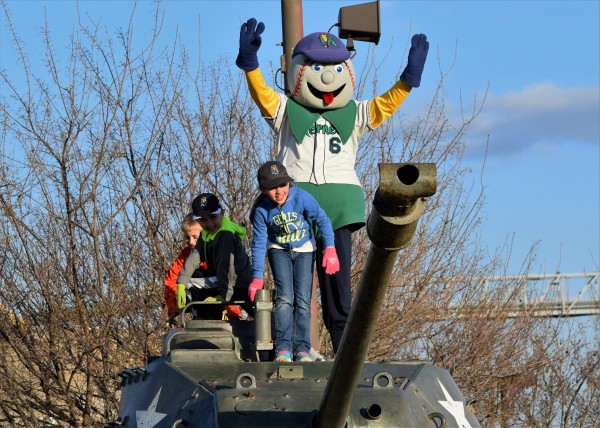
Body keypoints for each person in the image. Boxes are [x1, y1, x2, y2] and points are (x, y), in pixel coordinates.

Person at [236, 19, 428, 353]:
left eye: (335, 68)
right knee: (291, 288)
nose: (326, 77)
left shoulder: (354, 114)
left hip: (337, 213)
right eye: (315, 67)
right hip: (293, 212)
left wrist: (408, 79)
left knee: (337, 292)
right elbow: (262, 94)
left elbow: (385, 104)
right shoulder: (284, 111)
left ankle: (344, 357)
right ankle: (290, 348)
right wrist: (250, 65)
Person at [248, 161, 339, 362]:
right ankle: (283, 348)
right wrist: (256, 276)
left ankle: (302, 348)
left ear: (289, 183)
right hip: (278, 250)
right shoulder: (263, 210)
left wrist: (330, 248)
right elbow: (259, 242)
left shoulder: (301, 197)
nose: (279, 191)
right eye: (272, 188)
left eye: (282, 185)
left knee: (303, 300)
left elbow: (322, 220)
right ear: (264, 190)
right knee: (284, 298)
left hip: (304, 250)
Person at [175, 192, 253, 319]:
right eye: (203, 220)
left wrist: (223, 296)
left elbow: (225, 267)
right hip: (225, 283)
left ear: (222, 213)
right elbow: (194, 257)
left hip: (239, 284)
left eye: (213, 217)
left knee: (264, 321)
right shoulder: (206, 234)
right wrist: (181, 283)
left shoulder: (225, 235)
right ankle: (204, 318)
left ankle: (213, 315)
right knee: (189, 281)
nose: (209, 223)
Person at [164, 213, 203, 327]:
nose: (190, 241)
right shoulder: (185, 255)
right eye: (187, 237)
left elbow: (227, 280)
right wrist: (172, 309)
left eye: (195, 237)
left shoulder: (214, 254)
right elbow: (171, 280)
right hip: (195, 299)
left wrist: (233, 312)